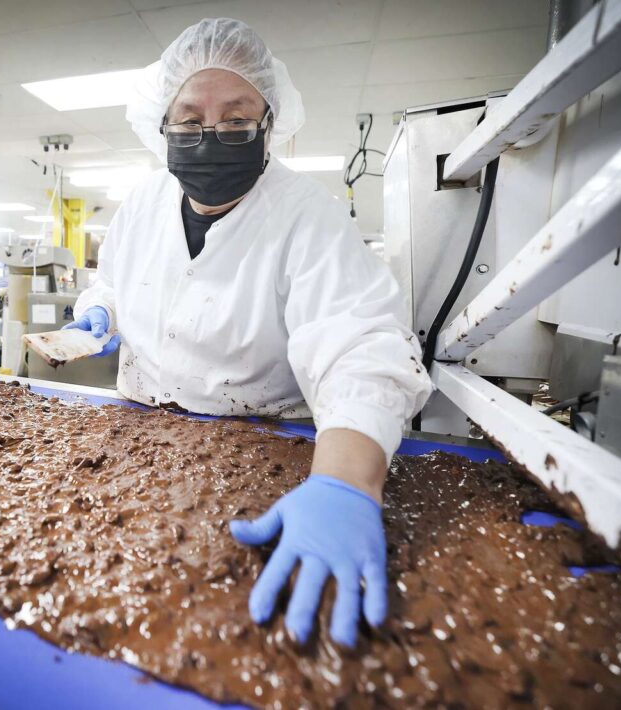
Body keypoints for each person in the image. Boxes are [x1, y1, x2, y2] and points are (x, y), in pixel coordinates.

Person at [66, 18, 432, 648]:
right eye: (188, 120)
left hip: (265, 458)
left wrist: (345, 482)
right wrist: (100, 311)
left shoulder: (307, 217)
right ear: (161, 126)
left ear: (269, 124)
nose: (210, 137)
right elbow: (118, 284)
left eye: (236, 120)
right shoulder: (142, 206)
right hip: (134, 445)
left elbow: (362, 344)